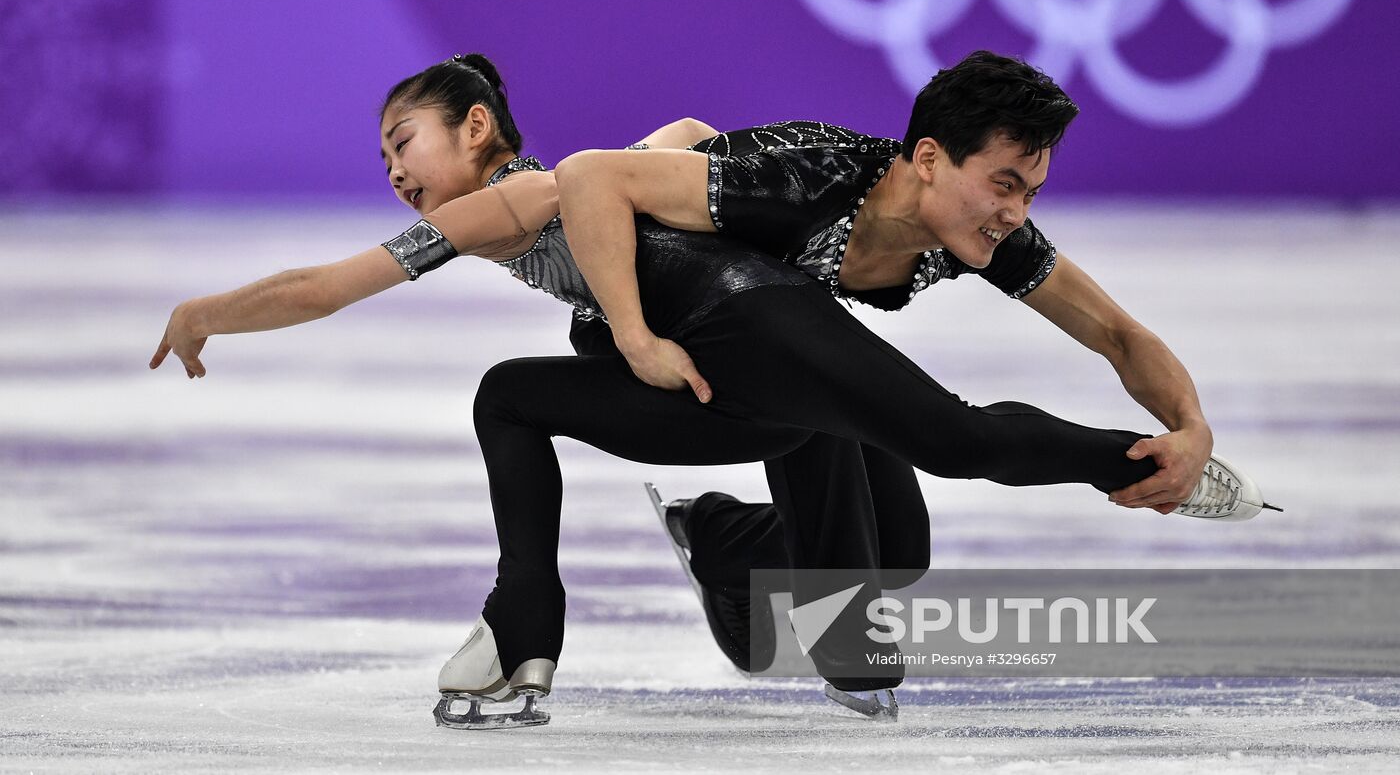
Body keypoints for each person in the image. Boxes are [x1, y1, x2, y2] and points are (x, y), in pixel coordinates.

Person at [150, 53, 1272, 729]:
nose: (394, 172)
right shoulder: (517, 209)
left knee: (896, 568)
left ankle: (724, 540)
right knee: (512, 397)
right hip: (733, 355)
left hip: (764, 342)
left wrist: (1187, 417)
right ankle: (525, 625)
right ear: (935, 160)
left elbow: (1115, 326)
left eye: (407, 143)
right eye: (387, 156)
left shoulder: (522, 195)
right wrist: (213, 312)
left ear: (474, 128)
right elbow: (332, 283)